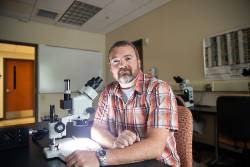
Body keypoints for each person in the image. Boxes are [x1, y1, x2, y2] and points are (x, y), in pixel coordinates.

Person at [66, 40, 180, 167]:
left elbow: (155, 146)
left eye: (128, 58)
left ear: (138, 62)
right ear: (110, 68)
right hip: (122, 161)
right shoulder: (107, 92)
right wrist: (115, 143)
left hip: (159, 163)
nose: (122, 65)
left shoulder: (158, 88)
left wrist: (100, 158)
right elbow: (97, 129)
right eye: (116, 61)